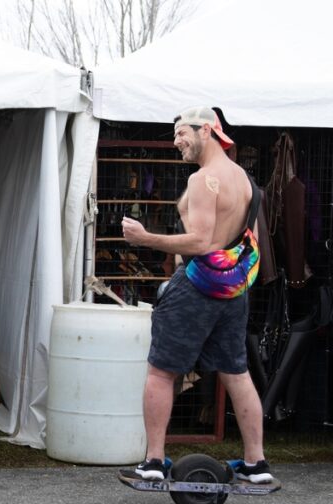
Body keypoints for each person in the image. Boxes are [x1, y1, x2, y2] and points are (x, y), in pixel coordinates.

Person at [122, 106, 273, 484]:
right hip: (232, 290)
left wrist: (145, 238)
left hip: (195, 287)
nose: (176, 142)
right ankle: (256, 464)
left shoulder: (206, 179)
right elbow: (231, 237)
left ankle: (154, 462)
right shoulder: (245, 181)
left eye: (181, 134)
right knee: (236, 373)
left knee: (161, 371)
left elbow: (202, 241)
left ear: (207, 130)